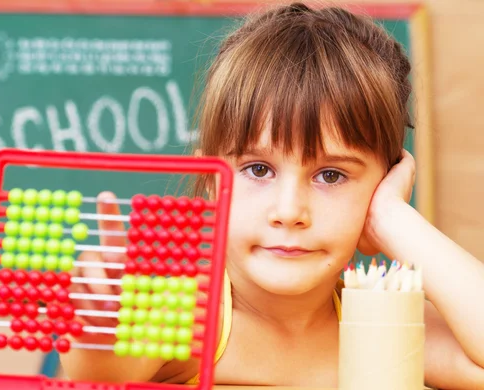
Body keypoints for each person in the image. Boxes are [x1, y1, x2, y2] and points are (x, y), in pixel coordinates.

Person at [60, 2, 484, 389]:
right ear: (211, 180)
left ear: (382, 186)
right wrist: (101, 326)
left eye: (331, 175)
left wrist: (392, 218)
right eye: (258, 169)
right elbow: (99, 372)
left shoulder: (383, 327)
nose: (289, 212)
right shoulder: (185, 315)